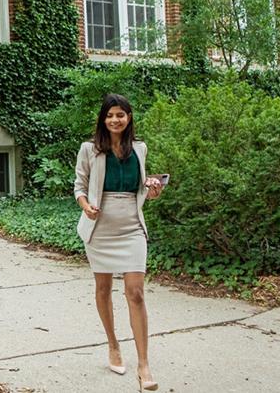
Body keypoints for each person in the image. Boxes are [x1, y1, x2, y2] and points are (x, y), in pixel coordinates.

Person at [74, 93, 164, 392]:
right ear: (103, 118)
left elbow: (144, 191)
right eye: (110, 115)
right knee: (102, 288)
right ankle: (113, 345)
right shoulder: (90, 149)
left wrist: (153, 188)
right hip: (100, 228)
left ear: (129, 118)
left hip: (131, 227)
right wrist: (85, 205)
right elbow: (79, 186)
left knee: (135, 292)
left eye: (121, 115)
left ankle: (144, 365)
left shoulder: (139, 148)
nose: (115, 120)